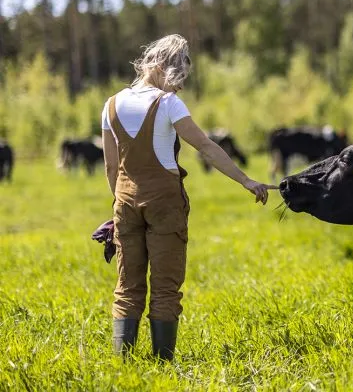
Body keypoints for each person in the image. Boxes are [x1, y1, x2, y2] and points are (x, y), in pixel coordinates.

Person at [101, 34, 271, 361]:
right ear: (163, 66)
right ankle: (162, 365)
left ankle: (125, 366)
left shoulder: (110, 105)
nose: (179, 87)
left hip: (124, 202)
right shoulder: (167, 104)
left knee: (127, 286)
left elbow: (111, 166)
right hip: (164, 204)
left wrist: (120, 207)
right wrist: (246, 180)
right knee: (165, 287)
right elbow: (206, 147)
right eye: (178, 78)